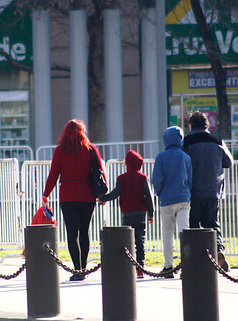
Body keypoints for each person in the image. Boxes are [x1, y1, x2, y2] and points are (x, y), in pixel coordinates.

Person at [42, 119, 107, 281]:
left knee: (72, 232)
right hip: (87, 196)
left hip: (68, 197)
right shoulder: (91, 149)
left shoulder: (60, 151)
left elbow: (53, 175)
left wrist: (46, 194)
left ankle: (77, 269)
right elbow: (100, 171)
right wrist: (102, 194)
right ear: (82, 132)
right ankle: (83, 267)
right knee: (85, 231)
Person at [183, 110, 234, 272]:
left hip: (192, 192)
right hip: (214, 190)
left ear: (190, 125)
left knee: (193, 227)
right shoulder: (217, 140)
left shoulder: (186, 142)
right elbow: (228, 162)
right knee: (212, 224)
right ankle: (218, 250)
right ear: (207, 125)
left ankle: (196, 261)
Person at [98, 150, 154, 278]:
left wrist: (103, 198)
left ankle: (127, 267)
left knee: (127, 241)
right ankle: (140, 269)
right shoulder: (143, 178)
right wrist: (151, 213)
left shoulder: (121, 178)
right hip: (140, 214)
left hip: (127, 214)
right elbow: (149, 197)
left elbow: (115, 193)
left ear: (127, 163)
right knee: (140, 241)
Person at [152, 126, 192, 278]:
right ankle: (186, 266)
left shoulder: (161, 157)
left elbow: (157, 180)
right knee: (184, 232)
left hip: (167, 199)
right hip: (183, 198)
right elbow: (190, 180)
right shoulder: (186, 157)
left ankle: (168, 266)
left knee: (167, 232)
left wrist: (159, 193)